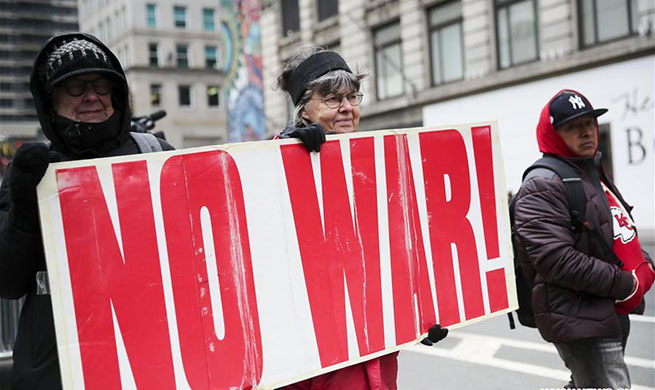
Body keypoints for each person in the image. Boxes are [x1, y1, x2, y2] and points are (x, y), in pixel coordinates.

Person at [0, 32, 173, 389]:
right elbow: (8, 282)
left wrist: (298, 155)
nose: (92, 96)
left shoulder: (157, 153)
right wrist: (24, 209)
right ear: (51, 102)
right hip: (58, 370)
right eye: (75, 88)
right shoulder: (33, 171)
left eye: (100, 84)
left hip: (151, 361)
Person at [275, 46, 448, 390]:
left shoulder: (377, 167)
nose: (346, 108)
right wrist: (283, 150)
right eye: (331, 98)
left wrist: (420, 314)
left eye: (352, 96)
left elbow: (399, 249)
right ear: (304, 110)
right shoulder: (276, 161)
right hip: (313, 359)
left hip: (373, 349)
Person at [513, 89, 654, 389]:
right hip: (579, 318)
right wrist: (625, 283)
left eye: (589, 123)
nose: (586, 132)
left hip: (605, 309)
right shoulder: (542, 184)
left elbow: (613, 230)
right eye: (572, 127)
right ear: (553, 134)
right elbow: (555, 260)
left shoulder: (588, 170)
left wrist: (645, 264)